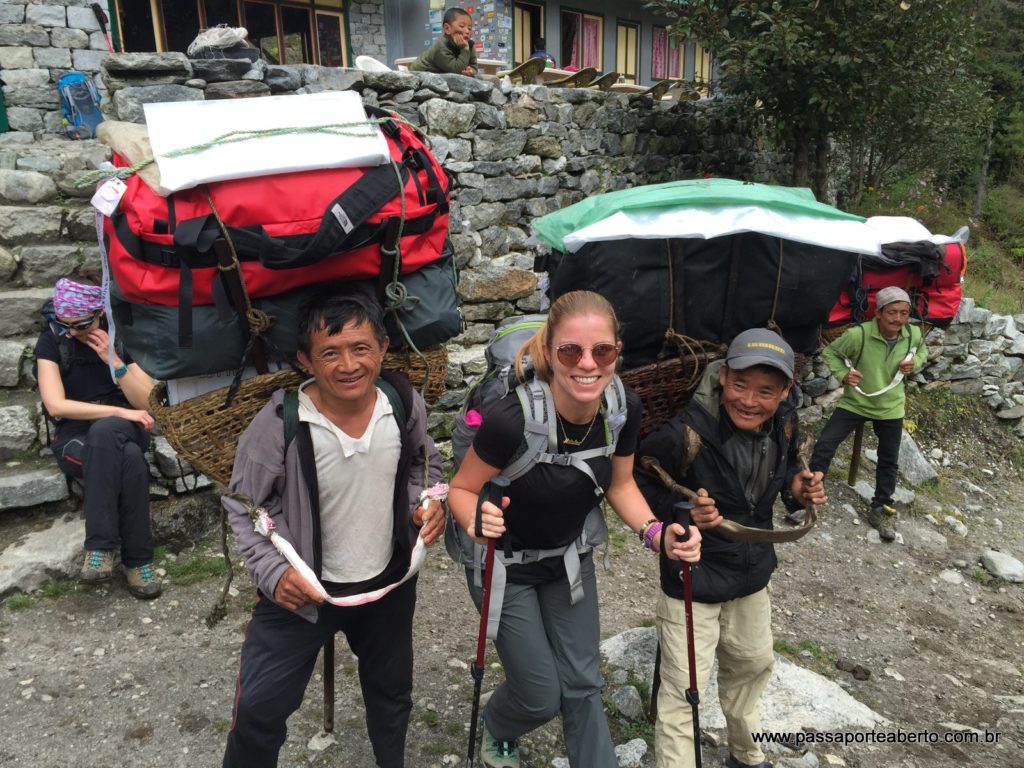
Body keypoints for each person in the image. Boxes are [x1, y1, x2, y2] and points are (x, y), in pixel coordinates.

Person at [448, 290, 702, 768]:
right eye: (571, 351)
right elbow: (461, 490)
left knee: (584, 685)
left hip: (567, 559)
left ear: (617, 352)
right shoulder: (510, 419)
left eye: (601, 351)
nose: (587, 364)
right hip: (504, 565)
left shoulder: (622, 407)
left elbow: (622, 484)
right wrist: (477, 524)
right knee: (541, 694)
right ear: (549, 352)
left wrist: (657, 534)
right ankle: (500, 725)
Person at [221, 291, 445, 768]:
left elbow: (425, 467)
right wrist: (273, 574)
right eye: (330, 352)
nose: (348, 365)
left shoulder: (402, 403)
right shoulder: (280, 422)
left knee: (391, 698)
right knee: (261, 707)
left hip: (387, 586)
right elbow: (243, 505)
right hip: (301, 595)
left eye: (361, 348)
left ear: (383, 348)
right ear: (305, 360)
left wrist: (424, 505)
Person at [635, 328, 827, 768]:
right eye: (740, 385)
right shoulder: (686, 431)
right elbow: (638, 483)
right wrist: (682, 513)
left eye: (765, 391)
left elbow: (778, 488)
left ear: (784, 393)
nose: (749, 400)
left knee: (753, 664)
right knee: (686, 687)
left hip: (751, 575)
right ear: (723, 377)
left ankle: (746, 753)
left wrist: (798, 491)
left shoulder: (785, 424)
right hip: (693, 578)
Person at [35, 273, 161, 599]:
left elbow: (147, 402)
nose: (72, 332)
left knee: (108, 434)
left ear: (100, 313)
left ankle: (101, 548)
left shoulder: (121, 337)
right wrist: (118, 411)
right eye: (65, 324)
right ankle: (138, 563)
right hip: (78, 435)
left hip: (127, 427)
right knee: (131, 460)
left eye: (80, 324)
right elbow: (55, 404)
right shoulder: (52, 341)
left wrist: (114, 362)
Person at [804, 286, 927, 541]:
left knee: (888, 459)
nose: (898, 319)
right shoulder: (859, 335)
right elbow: (831, 353)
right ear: (878, 312)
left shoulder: (913, 334)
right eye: (892, 312)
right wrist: (843, 375)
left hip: (891, 406)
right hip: (856, 403)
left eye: (904, 313)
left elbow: (922, 350)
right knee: (826, 444)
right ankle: (807, 499)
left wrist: (916, 362)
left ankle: (881, 508)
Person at [408, 7, 477, 76]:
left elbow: (474, 66)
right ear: (447, 29)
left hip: (439, 75)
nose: (467, 31)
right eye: (462, 26)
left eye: (469, 28)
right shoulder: (442, 46)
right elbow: (456, 70)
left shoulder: (469, 45)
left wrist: (471, 71)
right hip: (419, 74)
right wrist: (464, 49)